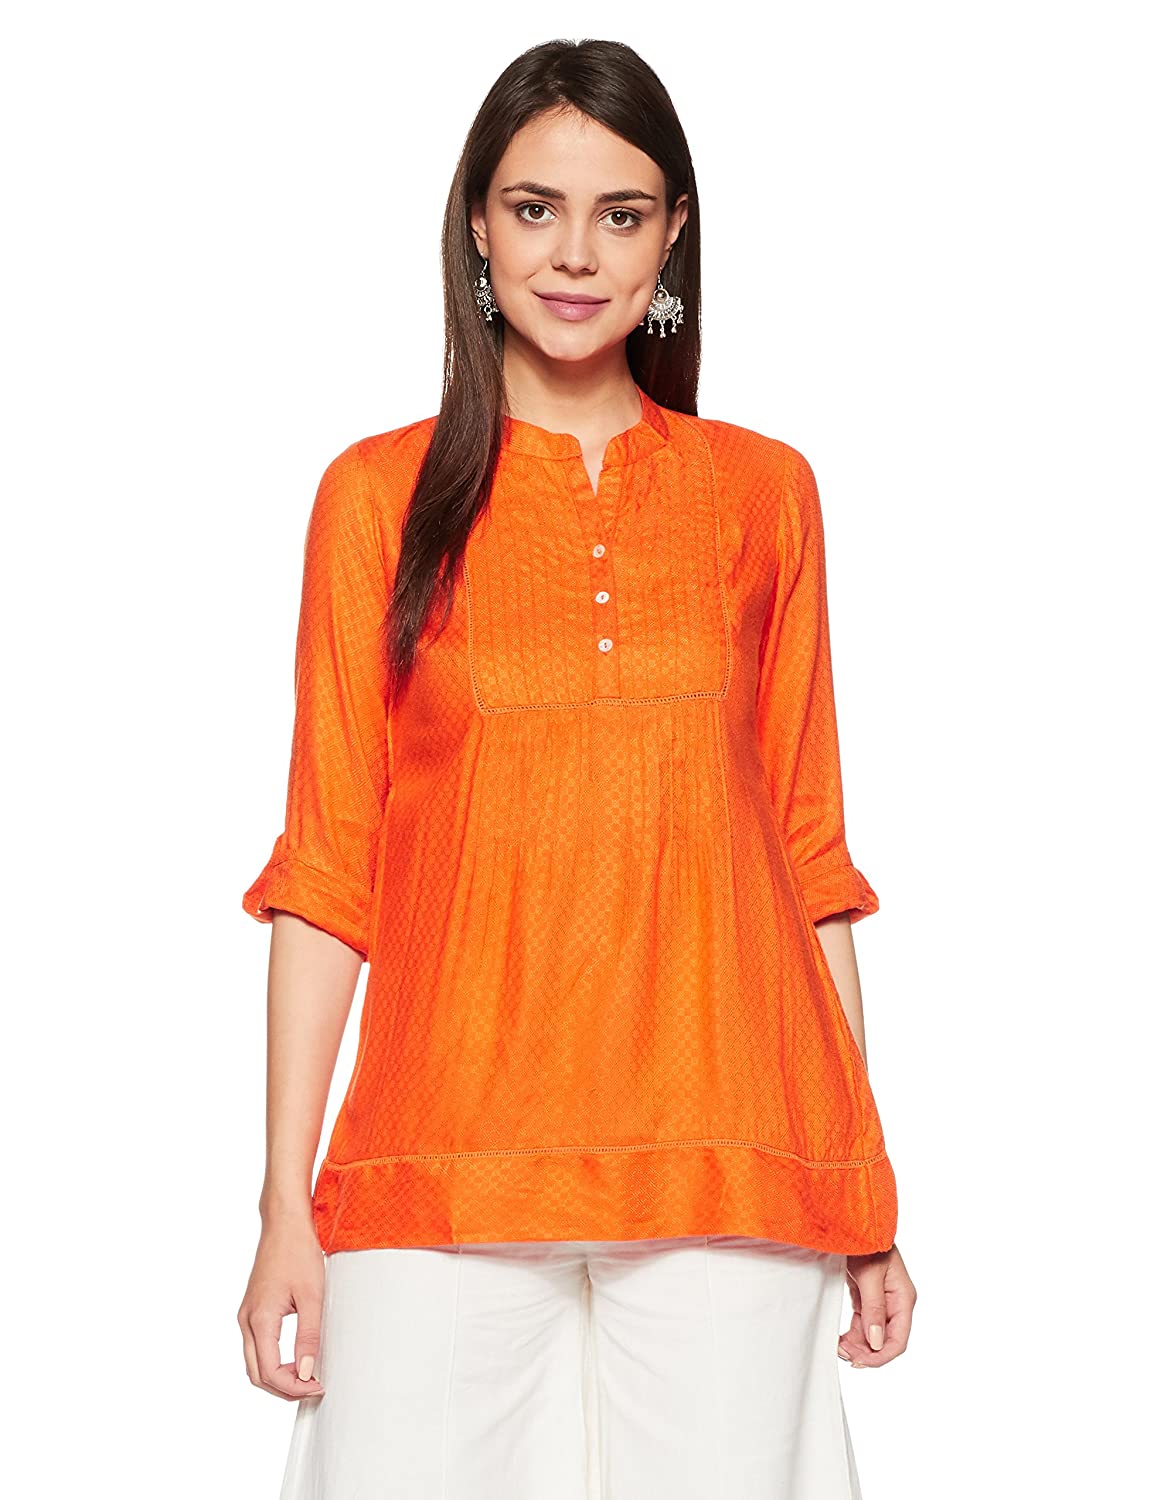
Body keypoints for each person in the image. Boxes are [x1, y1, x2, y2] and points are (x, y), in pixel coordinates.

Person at [236, 36, 916, 1500]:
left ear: (673, 237)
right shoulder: (376, 498)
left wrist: (859, 1182)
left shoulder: (760, 494)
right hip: (438, 1150)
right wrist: (285, 1203)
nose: (575, 253)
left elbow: (806, 858)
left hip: (730, 1146)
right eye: (534, 207)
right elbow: (327, 869)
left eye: (621, 213)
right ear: (476, 227)